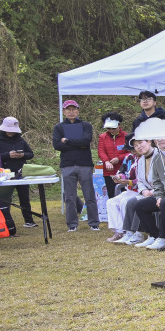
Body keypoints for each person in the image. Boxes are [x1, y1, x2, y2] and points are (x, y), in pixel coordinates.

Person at [53, 99, 101, 232]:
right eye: (68, 109)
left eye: (74, 109)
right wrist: (77, 144)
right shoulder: (59, 127)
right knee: (69, 196)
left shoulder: (86, 125)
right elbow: (57, 145)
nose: (71, 112)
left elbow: (86, 141)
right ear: (64, 112)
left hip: (84, 164)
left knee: (89, 194)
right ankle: (72, 224)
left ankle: (94, 223)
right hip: (67, 165)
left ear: (78, 111)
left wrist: (67, 141)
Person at [124, 137, 165, 249]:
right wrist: (151, 193)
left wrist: (159, 195)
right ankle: (154, 235)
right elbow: (150, 180)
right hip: (159, 192)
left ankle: (164, 237)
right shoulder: (149, 158)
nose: (138, 147)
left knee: (164, 203)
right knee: (140, 205)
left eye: (140, 143)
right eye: (136, 145)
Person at [107, 137, 152, 242]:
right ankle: (119, 231)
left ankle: (132, 231)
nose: (133, 152)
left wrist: (129, 182)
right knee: (111, 202)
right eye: (132, 149)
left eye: (134, 149)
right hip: (129, 189)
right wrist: (119, 177)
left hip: (138, 190)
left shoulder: (145, 159)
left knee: (124, 202)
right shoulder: (129, 157)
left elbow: (143, 180)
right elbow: (122, 171)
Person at [0, 117, 36, 228]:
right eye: (8, 129)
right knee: (4, 199)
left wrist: (22, 155)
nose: (11, 132)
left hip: (21, 172)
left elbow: (30, 154)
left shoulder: (20, 140)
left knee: (24, 197)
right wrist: (8, 155)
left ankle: (29, 220)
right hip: (4, 173)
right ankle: (4, 222)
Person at [98, 113, 129, 199]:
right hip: (109, 171)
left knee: (125, 194)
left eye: (113, 128)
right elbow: (101, 151)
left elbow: (130, 152)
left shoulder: (127, 137)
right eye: (108, 128)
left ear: (119, 125)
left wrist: (119, 158)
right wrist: (106, 161)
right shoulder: (102, 137)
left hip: (124, 169)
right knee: (111, 195)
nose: (111, 130)